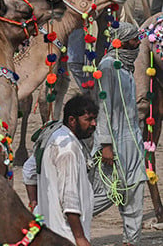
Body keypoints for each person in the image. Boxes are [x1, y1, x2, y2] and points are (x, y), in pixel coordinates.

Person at [91, 22, 146, 246]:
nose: (138, 43)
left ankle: (131, 241)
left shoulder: (125, 68)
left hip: (133, 139)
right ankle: (63, 221)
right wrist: (106, 144)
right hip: (113, 140)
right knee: (107, 193)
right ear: (122, 42)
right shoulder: (107, 67)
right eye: (134, 39)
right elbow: (104, 108)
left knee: (136, 188)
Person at [23, 94, 98, 246]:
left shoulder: (54, 135)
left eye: (95, 119)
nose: (94, 124)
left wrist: (35, 205)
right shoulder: (68, 149)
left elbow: (28, 170)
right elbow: (69, 199)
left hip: (50, 232)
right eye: (88, 119)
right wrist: (80, 238)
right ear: (72, 120)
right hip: (66, 235)